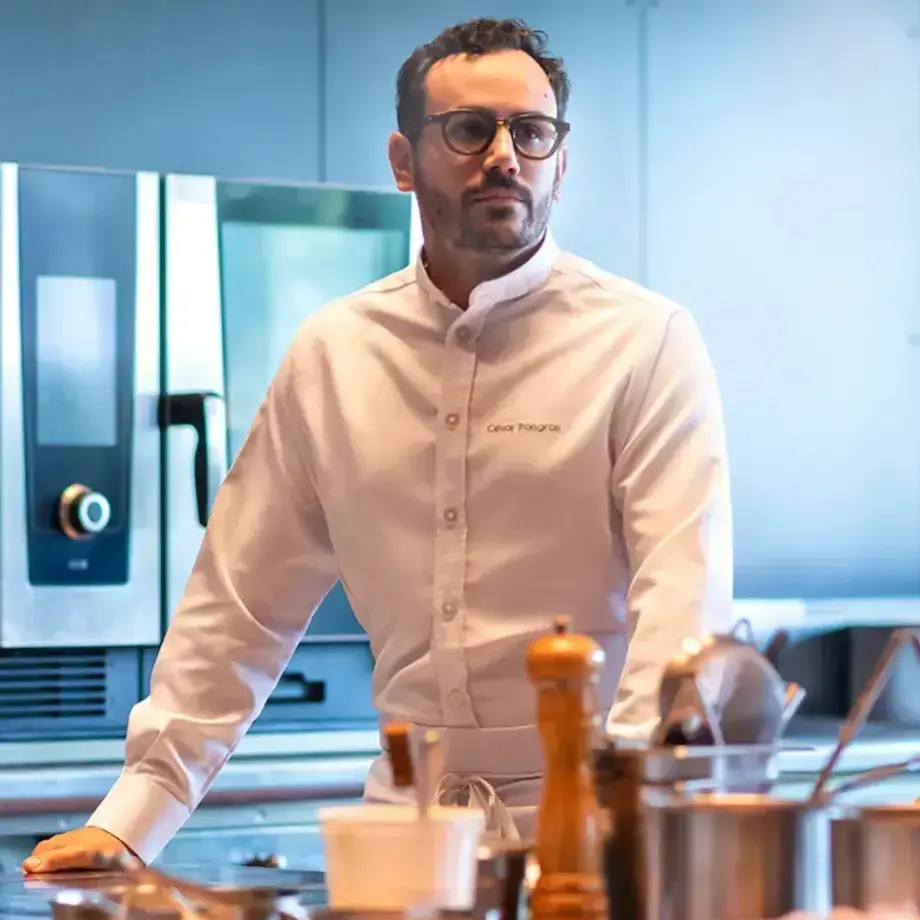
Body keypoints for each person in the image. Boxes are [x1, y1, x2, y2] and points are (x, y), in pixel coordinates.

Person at [24, 16, 733, 873]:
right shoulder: (335, 351)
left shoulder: (646, 342)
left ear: (562, 159)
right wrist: (132, 821)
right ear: (403, 161)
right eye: (471, 129)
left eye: (532, 132)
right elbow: (237, 610)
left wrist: (617, 819)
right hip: (404, 831)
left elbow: (682, 611)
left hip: (595, 821)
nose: (505, 154)